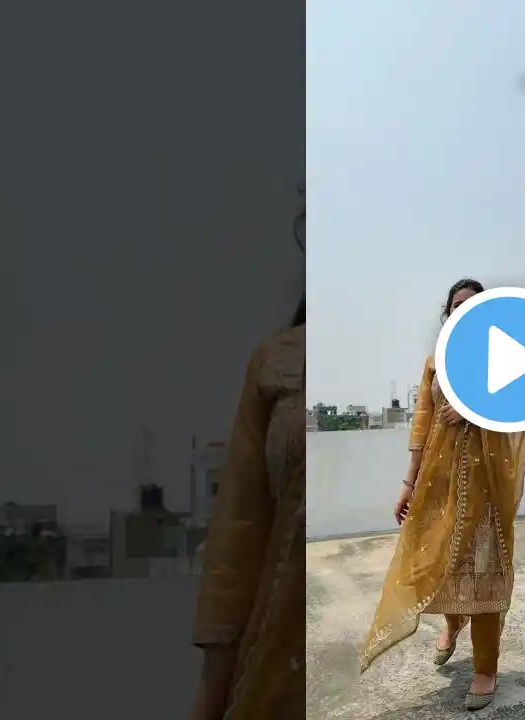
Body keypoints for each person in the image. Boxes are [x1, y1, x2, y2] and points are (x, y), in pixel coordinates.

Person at [359, 278, 525, 712]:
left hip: (486, 488)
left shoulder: (503, 361)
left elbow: (522, 410)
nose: (464, 310)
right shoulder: (435, 363)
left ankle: (485, 668)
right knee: (440, 565)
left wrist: (476, 410)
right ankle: (454, 623)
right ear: (448, 312)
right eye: (457, 305)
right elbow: (422, 422)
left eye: (474, 304)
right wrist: (408, 484)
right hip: (440, 484)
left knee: (485, 572)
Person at [188, 194, 306, 720]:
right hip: (281, 681)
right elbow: (238, 543)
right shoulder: (278, 361)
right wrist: (210, 703)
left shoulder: (442, 367)